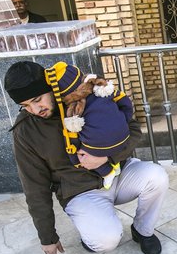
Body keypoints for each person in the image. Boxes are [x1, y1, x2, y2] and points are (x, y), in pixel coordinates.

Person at [4, 61, 169, 254]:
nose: (35, 109)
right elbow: (34, 187)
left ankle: (142, 230)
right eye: (26, 106)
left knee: (156, 176)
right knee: (106, 240)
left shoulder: (87, 99)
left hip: (116, 173)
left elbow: (133, 129)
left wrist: (106, 158)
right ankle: (92, 232)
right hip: (80, 192)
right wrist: (47, 237)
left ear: (50, 89)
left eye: (37, 100)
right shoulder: (25, 131)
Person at [47, 61, 131, 189]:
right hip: (124, 135)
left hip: (98, 148)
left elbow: (71, 139)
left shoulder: (72, 111)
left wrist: (76, 160)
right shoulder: (102, 89)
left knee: (83, 154)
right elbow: (125, 102)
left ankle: (107, 172)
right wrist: (124, 119)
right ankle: (116, 164)